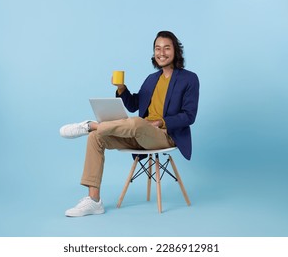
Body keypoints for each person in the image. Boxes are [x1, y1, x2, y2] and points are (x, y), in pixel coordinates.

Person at [60, 31, 199, 217]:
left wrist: (162, 121)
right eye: (157, 48)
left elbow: (189, 116)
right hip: (139, 133)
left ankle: (91, 125)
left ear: (176, 51)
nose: (161, 53)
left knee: (136, 123)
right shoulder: (152, 79)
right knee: (96, 138)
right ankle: (93, 201)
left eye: (167, 48)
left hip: (165, 136)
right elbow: (134, 105)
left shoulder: (189, 79)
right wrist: (121, 88)